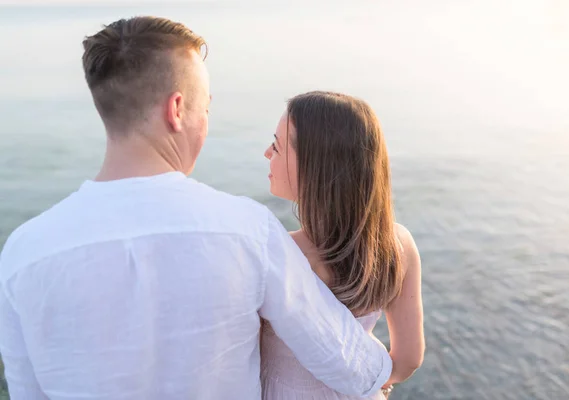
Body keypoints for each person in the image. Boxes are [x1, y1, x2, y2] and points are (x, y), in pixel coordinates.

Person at [0, 17, 392, 400]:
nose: (206, 119)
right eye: (205, 107)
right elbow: (352, 367)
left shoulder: (23, 252)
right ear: (176, 110)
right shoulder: (247, 230)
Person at [261, 91, 425, 399]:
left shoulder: (274, 253)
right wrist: (372, 385)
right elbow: (408, 360)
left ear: (314, 166)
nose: (267, 152)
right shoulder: (396, 246)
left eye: (278, 146)